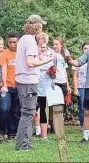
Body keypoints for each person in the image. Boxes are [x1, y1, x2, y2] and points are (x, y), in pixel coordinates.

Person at [14, 15, 53, 151]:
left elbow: (30, 58)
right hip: (28, 82)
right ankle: (23, 145)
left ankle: (24, 143)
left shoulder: (24, 39)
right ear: (36, 26)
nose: (42, 28)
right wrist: (46, 61)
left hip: (22, 80)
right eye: (41, 26)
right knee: (28, 113)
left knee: (27, 113)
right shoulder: (29, 40)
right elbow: (30, 63)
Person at [0, 31, 21, 142]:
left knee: (16, 111)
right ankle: (1, 132)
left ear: (18, 42)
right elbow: (3, 69)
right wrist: (4, 85)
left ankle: (12, 133)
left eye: (14, 42)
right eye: (10, 42)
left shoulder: (22, 53)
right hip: (6, 86)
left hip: (19, 86)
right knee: (4, 109)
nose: (12, 45)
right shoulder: (4, 54)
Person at [36, 37, 53, 141]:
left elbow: (54, 76)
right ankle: (35, 131)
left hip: (45, 89)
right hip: (33, 87)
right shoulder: (33, 57)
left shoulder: (50, 58)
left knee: (43, 111)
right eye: (41, 46)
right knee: (34, 111)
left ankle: (44, 136)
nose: (42, 49)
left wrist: (52, 72)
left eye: (44, 47)